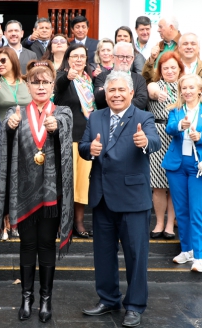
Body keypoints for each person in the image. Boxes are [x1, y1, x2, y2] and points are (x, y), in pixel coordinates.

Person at [78, 71, 161, 328]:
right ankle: (108, 299)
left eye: (121, 90)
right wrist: (89, 150)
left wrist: (144, 141)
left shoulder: (143, 117)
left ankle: (134, 306)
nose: (116, 95)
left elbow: (155, 141)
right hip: (102, 197)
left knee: (136, 255)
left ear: (131, 93)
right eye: (111, 90)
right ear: (105, 94)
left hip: (133, 199)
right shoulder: (96, 117)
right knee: (103, 254)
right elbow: (83, 146)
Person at [0, 60, 73, 323]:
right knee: (27, 245)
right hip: (23, 193)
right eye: (35, 82)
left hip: (52, 194)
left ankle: (45, 300)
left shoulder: (62, 112)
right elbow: (4, 143)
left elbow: (65, 127)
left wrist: (57, 127)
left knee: (47, 245)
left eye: (46, 82)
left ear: (53, 86)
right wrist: (9, 128)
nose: (41, 86)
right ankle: (26, 298)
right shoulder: (15, 112)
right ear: (27, 85)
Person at [163, 74, 202, 272]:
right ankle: (187, 250)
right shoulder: (175, 110)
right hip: (177, 166)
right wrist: (179, 126)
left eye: (192, 87)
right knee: (181, 211)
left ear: (200, 90)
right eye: (184, 88)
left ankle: (200, 257)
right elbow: (169, 129)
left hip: (200, 167)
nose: (187, 91)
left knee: (198, 211)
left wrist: (201, 136)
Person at [54, 43, 96, 238]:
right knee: (66, 182)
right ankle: (63, 223)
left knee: (82, 184)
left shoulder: (89, 80)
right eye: (75, 56)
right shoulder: (62, 77)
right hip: (67, 137)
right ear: (68, 59)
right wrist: (67, 77)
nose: (79, 59)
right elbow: (58, 90)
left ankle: (78, 222)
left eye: (82, 56)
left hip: (86, 138)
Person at [146, 51, 184, 239]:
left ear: (180, 69)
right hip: (158, 135)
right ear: (160, 70)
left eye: (173, 67)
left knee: (175, 184)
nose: (170, 71)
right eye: (165, 68)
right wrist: (156, 93)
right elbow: (152, 90)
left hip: (179, 136)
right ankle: (160, 222)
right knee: (158, 184)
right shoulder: (155, 85)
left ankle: (170, 224)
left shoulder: (185, 86)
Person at [94, 42, 148, 111]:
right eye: (121, 57)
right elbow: (98, 99)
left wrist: (109, 92)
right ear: (113, 58)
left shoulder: (140, 79)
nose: (125, 60)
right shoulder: (102, 77)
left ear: (132, 59)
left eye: (128, 57)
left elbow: (141, 102)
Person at [0, 47, 31, 120]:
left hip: (27, 126)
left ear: (13, 60)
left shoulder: (26, 83)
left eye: (3, 60)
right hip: (2, 126)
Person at [142, 16, 181, 83]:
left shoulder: (185, 45)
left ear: (171, 27)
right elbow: (145, 77)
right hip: (156, 87)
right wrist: (151, 59)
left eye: (160, 27)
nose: (158, 30)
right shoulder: (159, 46)